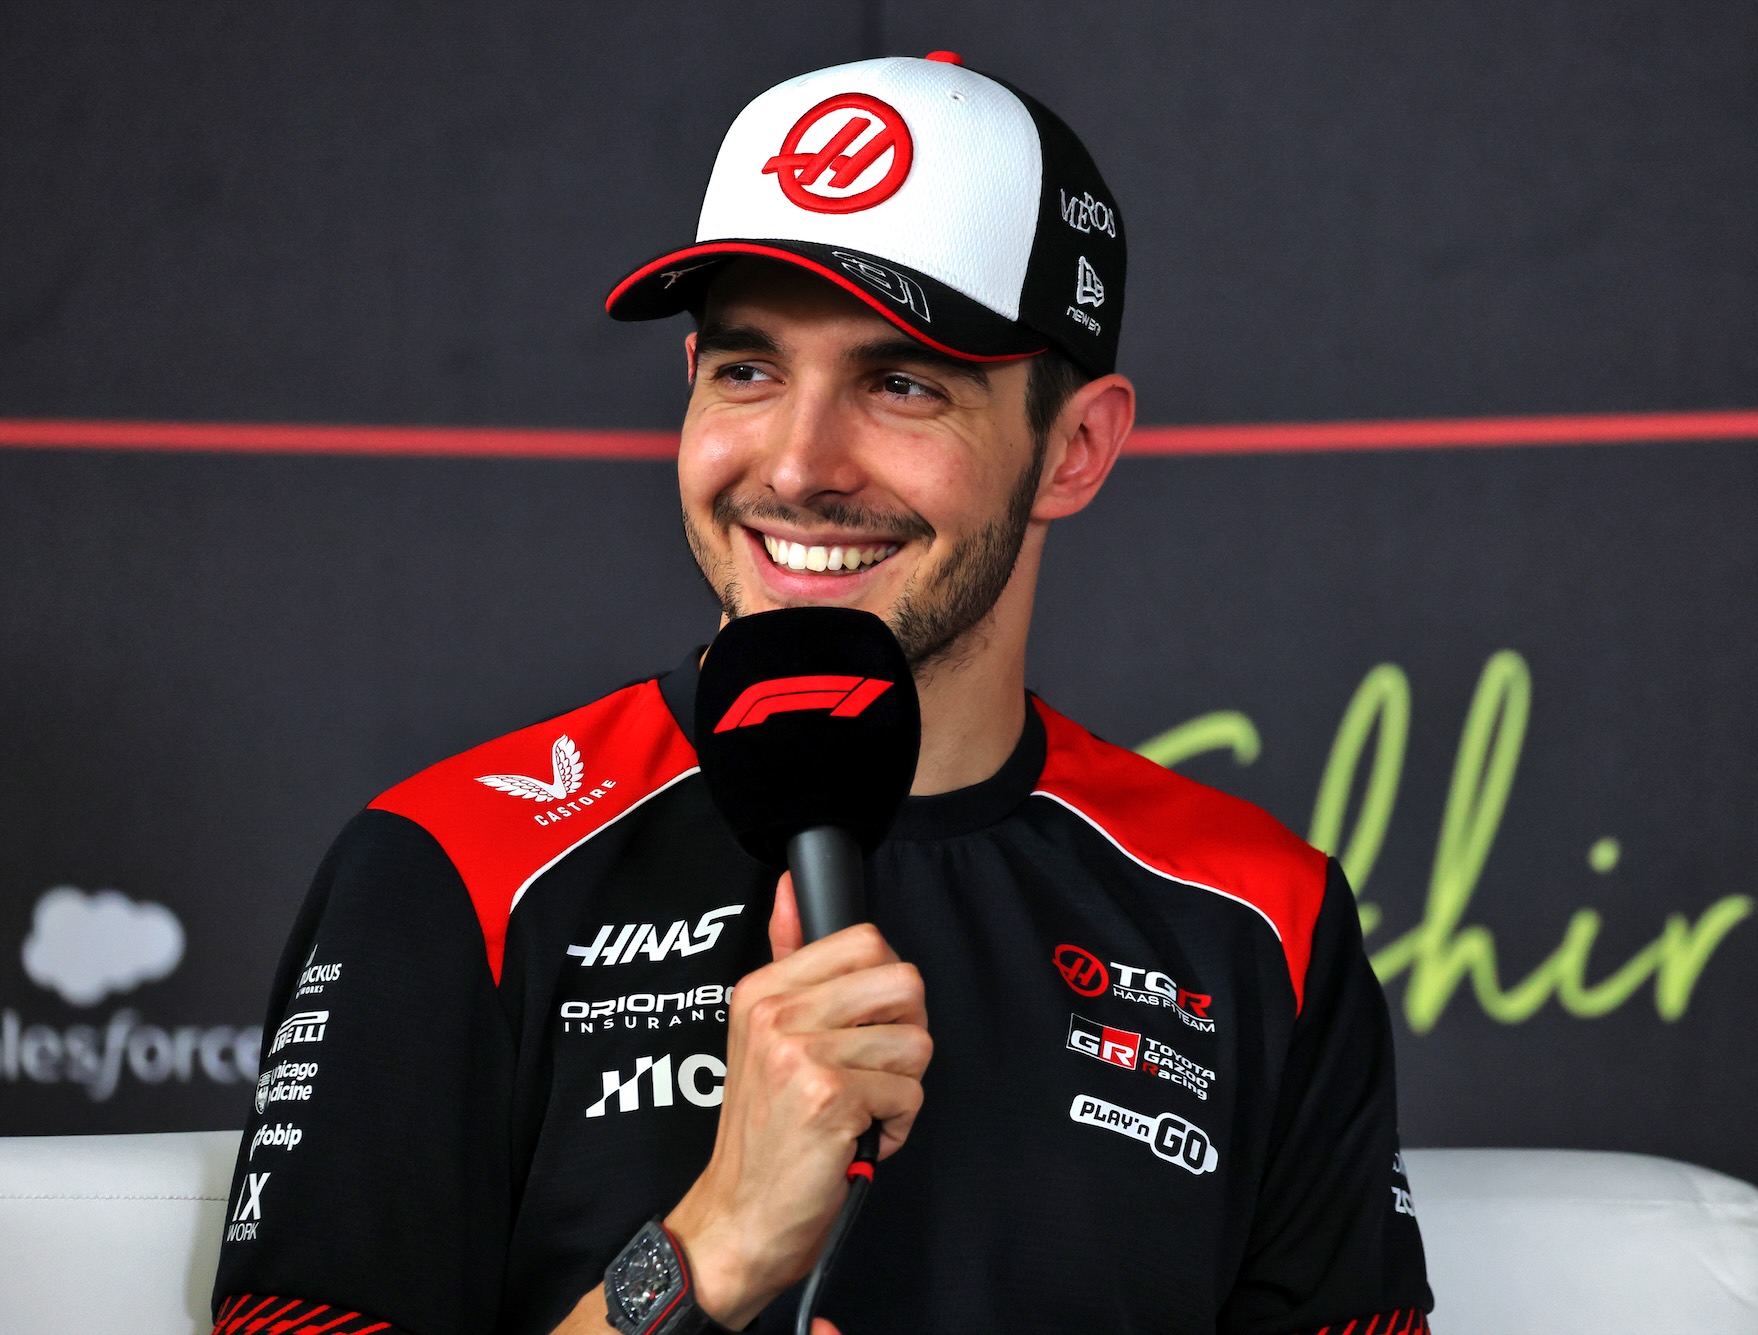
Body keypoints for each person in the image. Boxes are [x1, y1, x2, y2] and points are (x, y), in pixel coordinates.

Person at [211, 53, 1431, 1335]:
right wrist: (710, 1248)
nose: (798, 465)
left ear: (1072, 449)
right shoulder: (454, 865)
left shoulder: (1258, 917)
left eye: (901, 383)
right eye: (748, 370)